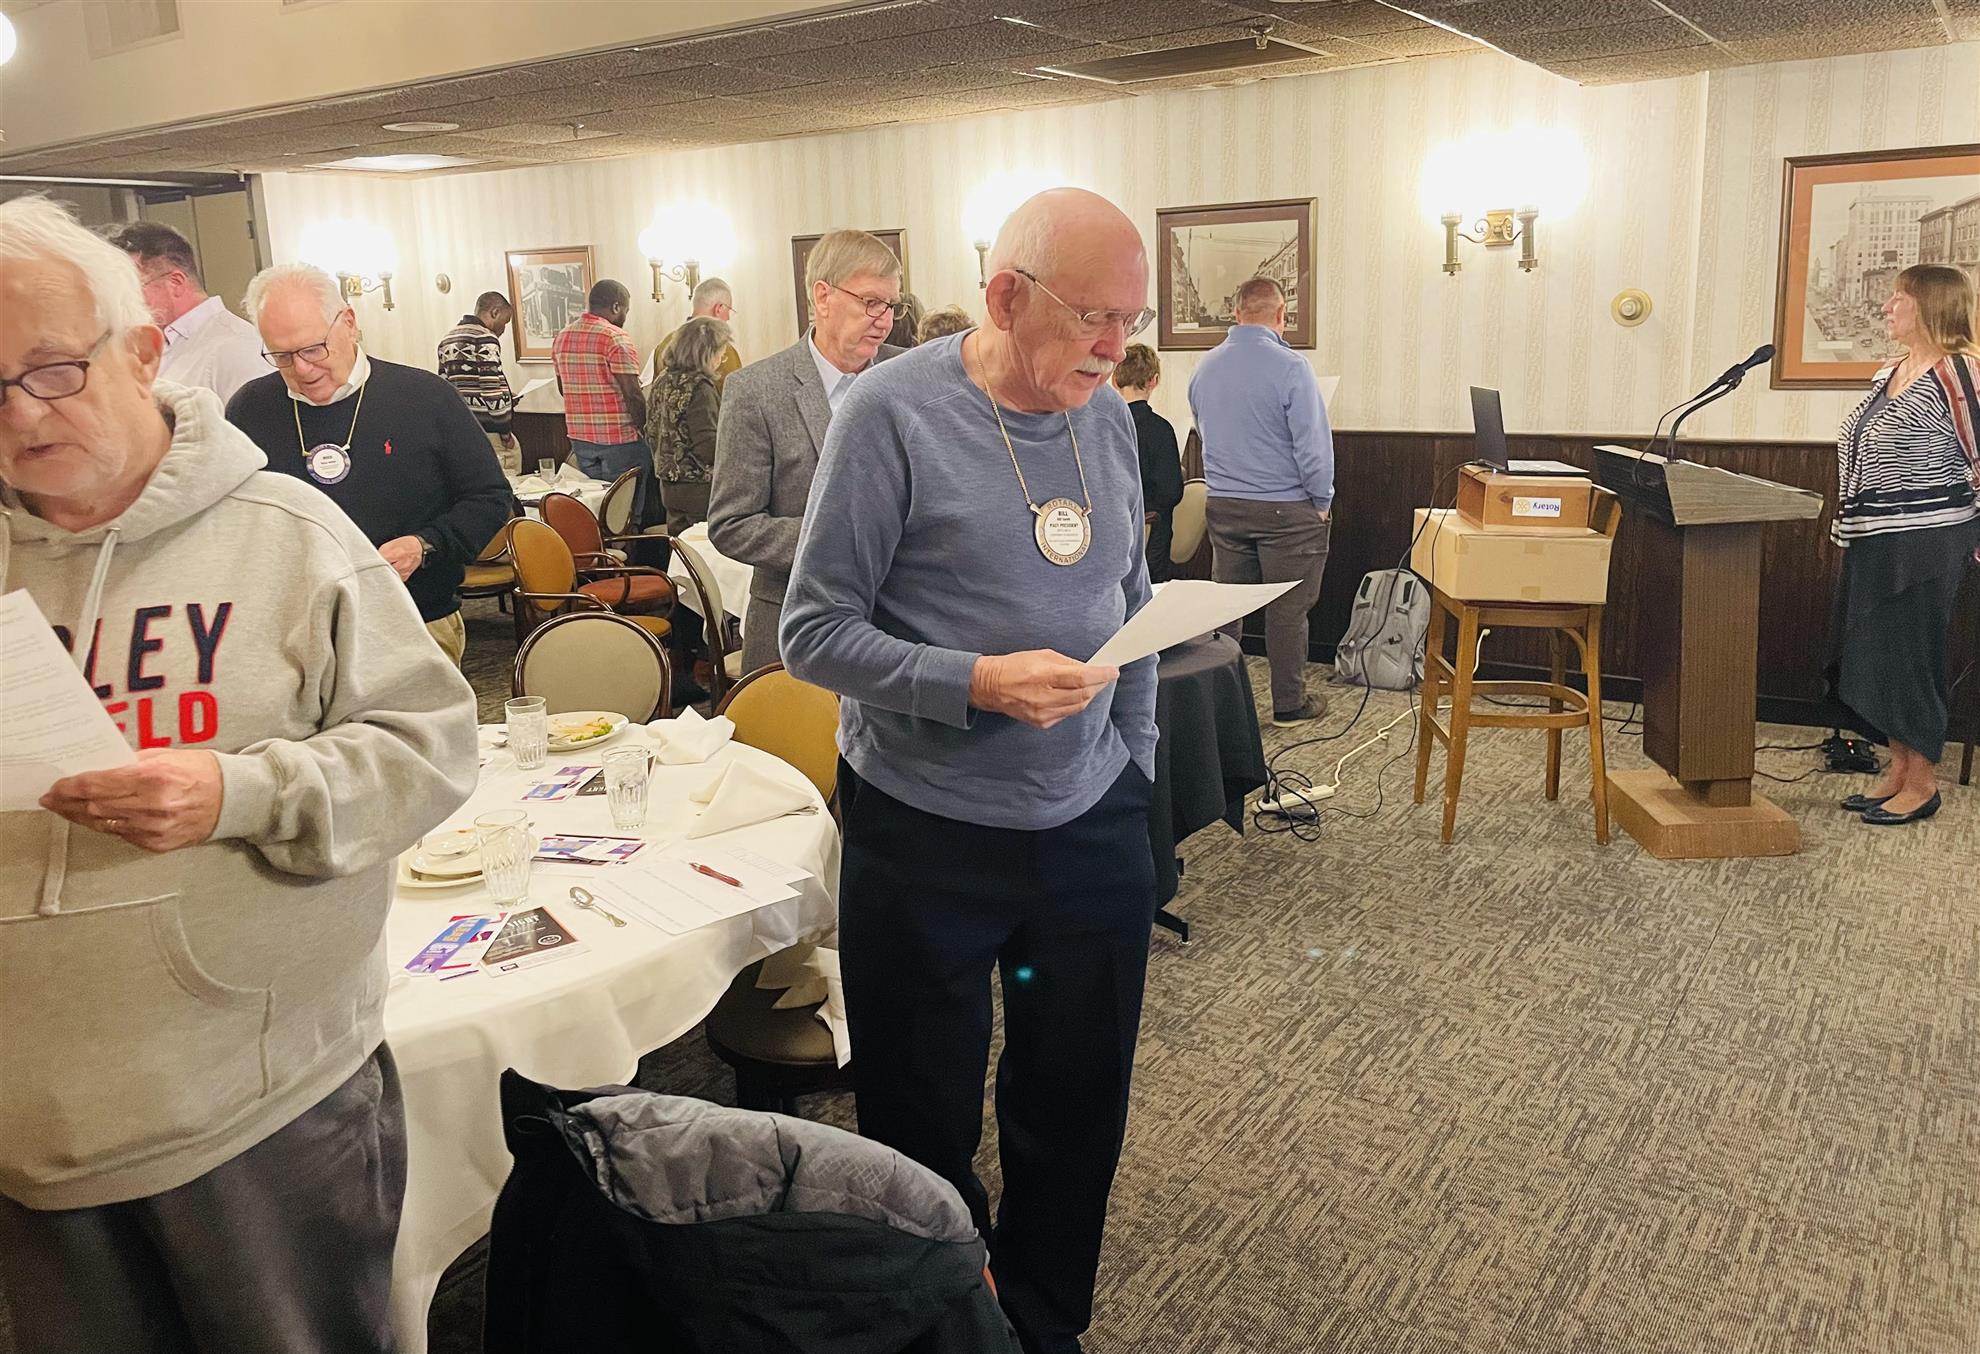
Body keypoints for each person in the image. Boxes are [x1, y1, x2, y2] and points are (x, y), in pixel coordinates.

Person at [0, 194, 478, 1354]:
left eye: (52, 369)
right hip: (27, 1121)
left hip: (256, 1105)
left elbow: (432, 746)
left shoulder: (288, 535)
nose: (19, 413)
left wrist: (239, 793)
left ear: (141, 351)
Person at [782, 188, 1159, 1354]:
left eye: (1132, 320)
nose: (1116, 347)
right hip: (926, 827)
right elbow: (812, 633)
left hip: (1090, 817)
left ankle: (1043, 1320)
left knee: (1076, 1098)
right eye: (1094, 317)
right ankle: (938, 1318)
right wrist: (975, 682)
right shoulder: (891, 414)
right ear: (1006, 296)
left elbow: (1133, 602)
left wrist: (1136, 764)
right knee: (921, 1111)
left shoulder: (1105, 415)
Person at [227, 262, 511, 667]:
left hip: (414, 618)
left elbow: (490, 498)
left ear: (349, 323)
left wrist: (424, 545)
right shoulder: (250, 408)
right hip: (297, 631)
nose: (302, 369)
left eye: (313, 348)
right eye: (282, 356)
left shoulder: (425, 397)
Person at [709, 229, 906, 674]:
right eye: (871, 302)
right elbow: (731, 524)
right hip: (796, 625)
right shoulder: (756, 391)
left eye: (891, 305)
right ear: (823, 296)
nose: (884, 320)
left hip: (900, 628)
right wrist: (840, 541)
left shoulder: (908, 374)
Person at [1827, 262, 1980, 826]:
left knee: (1913, 658)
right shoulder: (1891, 371)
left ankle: (1923, 784)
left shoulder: (1962, 371)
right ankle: (1897, 771)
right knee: (1879, 655)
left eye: (1898, 298)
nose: (1886, 307)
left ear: (1932, 304)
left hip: (1930, 540)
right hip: (1874, 539)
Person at [1188, 274, 1335, 726]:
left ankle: (1220, 708)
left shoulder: (1204, 368)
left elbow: (1202, 431)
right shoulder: (1292, 368)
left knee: (1227, 611)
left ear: (1235, 314)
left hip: (1224, 505)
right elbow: (1312, 445)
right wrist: (1322, 499)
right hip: (1286, 510)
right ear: (1281, 315)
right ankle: (1289, 704)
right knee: (1287, 612)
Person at [108, 219, 268, 405]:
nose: (121, 301)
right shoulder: (147, 345)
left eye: (130, 288)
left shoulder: (238, 348)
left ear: (175, 283)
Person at [552, 278, 652, 520]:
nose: (625, 317)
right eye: (626, 310)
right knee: (623, 515)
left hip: (581, 439)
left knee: (593, 510)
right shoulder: (615, 337)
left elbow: (563, 388)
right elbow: (632, 394)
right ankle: (627, 545)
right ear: (616, 307)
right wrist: (647, 430)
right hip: (620, 440)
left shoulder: (562, 337)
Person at [644, 314, 732, 536]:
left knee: (681, 547)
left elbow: (650, 431)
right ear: (706, 353)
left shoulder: (662, 380)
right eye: (720, 354)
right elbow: (708, 445)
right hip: (699, 488)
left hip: (668, 486)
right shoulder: (699, 387)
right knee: (702, 547)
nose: (720, 360)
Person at [1114, 343, 1184, 583]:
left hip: (1112, 533)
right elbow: (1171, 491)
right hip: (1152, 539)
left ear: (1115, 380)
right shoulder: (1161, 430)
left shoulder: (1105, 426)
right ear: (1154, 380)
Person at [438, 290, 522, 472]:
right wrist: (505, 432)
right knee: (511, 470)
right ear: (495, 312)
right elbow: (490, 391)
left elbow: (445, 389)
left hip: (463, 431)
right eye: (505, 322)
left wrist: (507, 396)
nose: (503, 329)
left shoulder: (447, 339)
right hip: (490, 430)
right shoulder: (486, 338)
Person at [651, 276, 742, 390]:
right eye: (729, 310)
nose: (728, 317)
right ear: (719, 308)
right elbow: (735, 392)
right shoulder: (721, 349)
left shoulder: (665, 343)